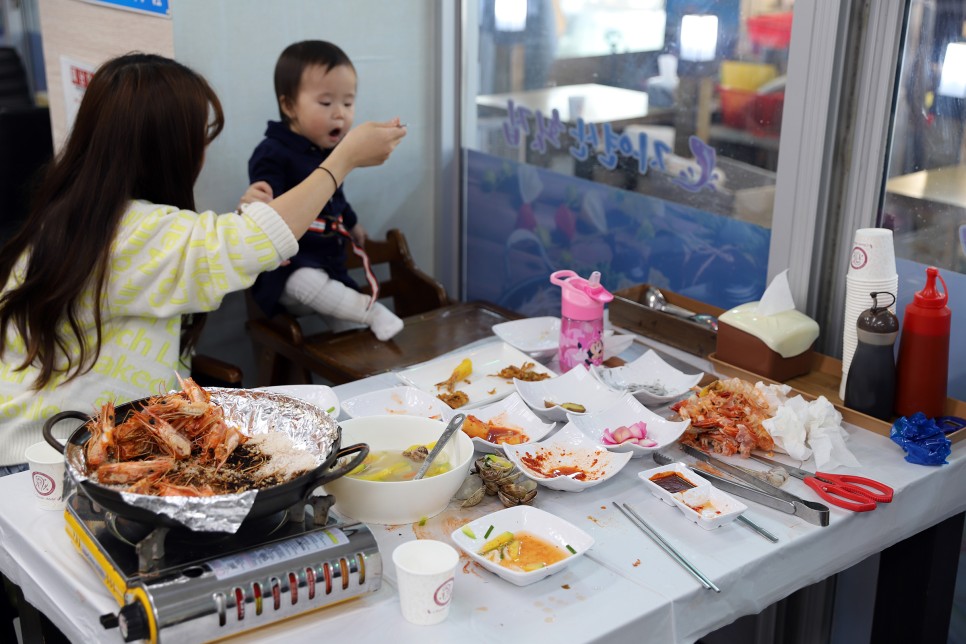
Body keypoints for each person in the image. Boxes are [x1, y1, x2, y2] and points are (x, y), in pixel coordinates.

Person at [0, 52, 405, 474]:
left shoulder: (77, 216)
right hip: (45, 461)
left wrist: (251, 220)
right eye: (199, 140)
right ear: (166, 148)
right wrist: (343, 159)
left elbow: (223, 244)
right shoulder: (131, 230)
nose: (202, 154)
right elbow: (252, 243)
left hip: (54, 446)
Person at [240, 40, 403, 341]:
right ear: (289, 106)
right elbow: (267, 205)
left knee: (351, 333)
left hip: (328, 259)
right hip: (287, 270)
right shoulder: (272, 152)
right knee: (306, 280)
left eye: (348, 103)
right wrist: (256, 199)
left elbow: (336, 198)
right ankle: (372, 311)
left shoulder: (329, 152)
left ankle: (358, 368)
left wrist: (352, 223)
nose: (339, 114)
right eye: (326, 104)